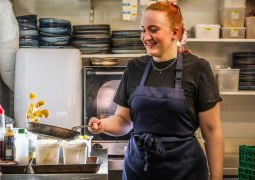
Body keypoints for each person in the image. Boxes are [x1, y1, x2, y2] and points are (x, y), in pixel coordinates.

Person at [88, 2, 224, 180]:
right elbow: (124, 120)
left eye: (153, 29)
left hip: (185, 170)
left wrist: (217, 177)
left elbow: (212, 132)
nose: (146, 36)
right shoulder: (134, 67)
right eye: (143, 29)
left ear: (175, 32)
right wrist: (103, 125)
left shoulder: (198, 69)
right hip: (139, 168)